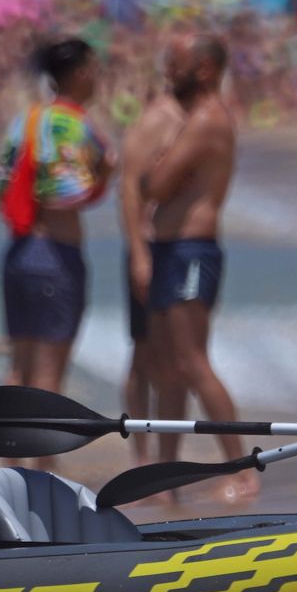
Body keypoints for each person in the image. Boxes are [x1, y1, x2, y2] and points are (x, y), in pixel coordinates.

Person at [143, 32, 255, 502]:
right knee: (168, 369)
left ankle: (243, 468)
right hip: (173, 248)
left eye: (177, 62)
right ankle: (166, 479)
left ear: (205, 69)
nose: (168, 70)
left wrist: (158, 163)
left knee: (193, 362)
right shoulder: (194, 119)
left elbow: (158, 183)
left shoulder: (207, 119)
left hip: (192, 248)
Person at [0, 38, 114, 471]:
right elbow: (66, 193)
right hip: (56, 255)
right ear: (80, 73)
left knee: (19, 370)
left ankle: (9, 469)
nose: (99, 77)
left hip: (19, 252)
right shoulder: (70, 123)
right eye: (95, 68)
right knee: (48, 375)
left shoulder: (24, 120)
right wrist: (104, 171)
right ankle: (45, 474)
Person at [118, 44, 185, 471]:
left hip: (177, 248)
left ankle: (167, 457)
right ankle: (143, 458)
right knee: (145, 356)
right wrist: (140, 252)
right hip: (150, 248)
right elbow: (128, 188)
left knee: (174, 357)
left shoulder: (192, 118)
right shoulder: (158, 119)